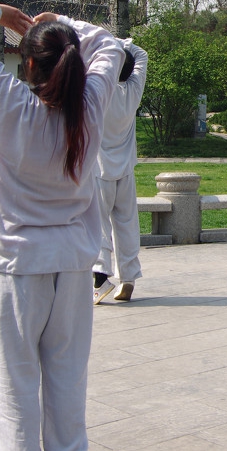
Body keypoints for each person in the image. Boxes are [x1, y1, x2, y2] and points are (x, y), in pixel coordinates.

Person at [0, 3, 123, 451]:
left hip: (15, 263)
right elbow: (110, 47)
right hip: (71, 262)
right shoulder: (90, 106)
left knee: (13, 372)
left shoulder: (6, 107)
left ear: (27, 67)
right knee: (67, 368)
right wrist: (66, 26)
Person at [91, 39, 149, 305]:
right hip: (125, 169)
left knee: (98, 224)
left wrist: (110, 44)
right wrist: (125, 45)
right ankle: (128, 278)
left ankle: (100, 279)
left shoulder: (99, 91)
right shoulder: (133, 91)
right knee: (126, 224)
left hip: (100, 169)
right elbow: (142, 56)